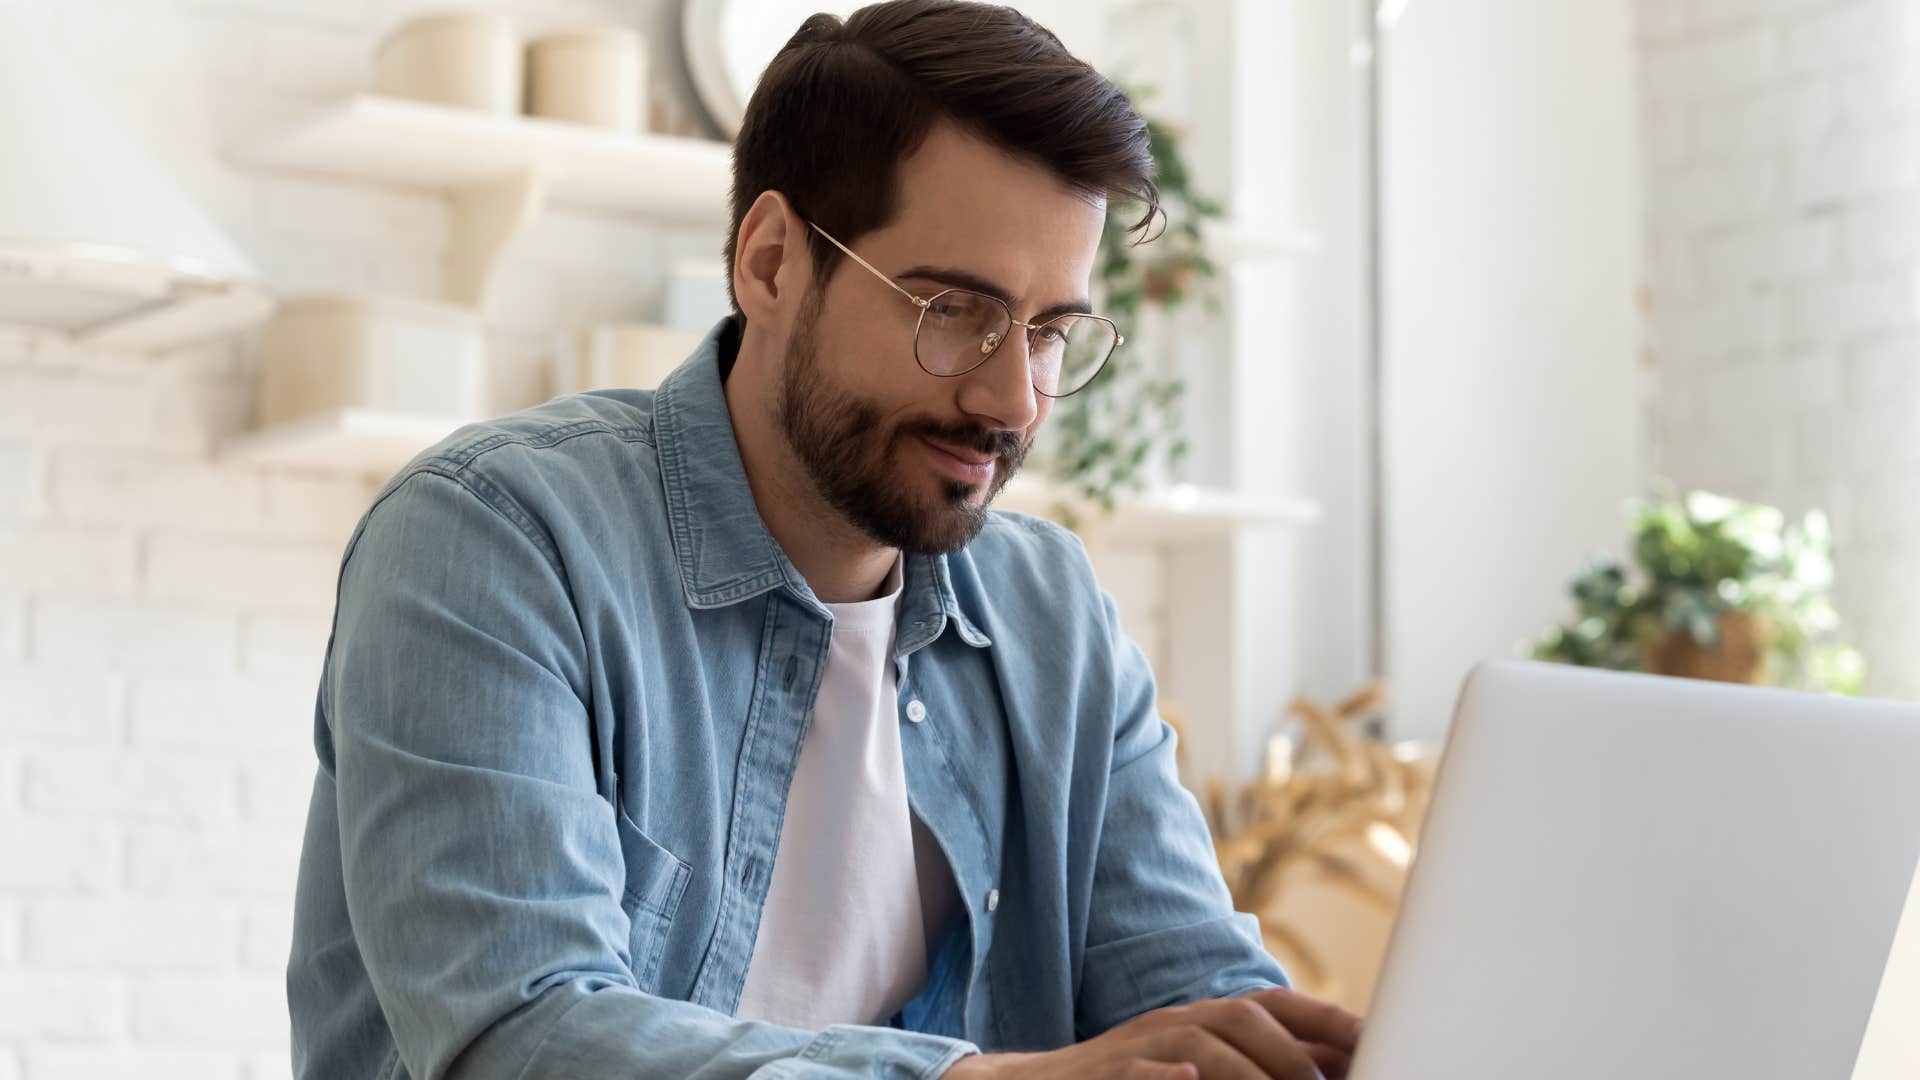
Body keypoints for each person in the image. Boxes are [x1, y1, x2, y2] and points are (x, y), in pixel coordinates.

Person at [286, 2, 1361, 1077]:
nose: (1013, 401)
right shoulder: (495, 542)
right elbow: (516, 1039)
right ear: (770, 263)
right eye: (953, 311)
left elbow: (1196, 995)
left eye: (1048, 333)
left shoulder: (1052, 613)